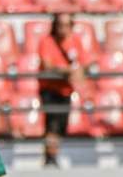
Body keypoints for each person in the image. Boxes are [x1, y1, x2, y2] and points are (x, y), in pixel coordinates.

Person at [37, 12, 90, 168]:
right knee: (52, 124)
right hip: (50, 88)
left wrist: (77, 71)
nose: (63, 29)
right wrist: (68, 70)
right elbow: (47, 65)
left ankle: (54, 153)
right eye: (60, 25)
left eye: (67, 25)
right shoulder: (47, 42)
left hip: (66, 89)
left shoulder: (75, 41)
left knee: (61, 125)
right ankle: (50, 156)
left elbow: (84, 62)